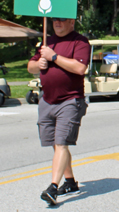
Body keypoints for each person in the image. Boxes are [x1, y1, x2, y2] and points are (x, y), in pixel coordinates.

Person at [27, 18, 91, 205]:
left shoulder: (80, 41)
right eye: (55, 20)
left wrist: (54, 57)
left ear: (72, 22)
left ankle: (53, 188)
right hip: (47, 100)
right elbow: (30, 66)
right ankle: (70, 182)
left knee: (61, 143)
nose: (58, 23)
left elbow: (80, 68)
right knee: (56, 145)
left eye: (63, 20)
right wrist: (39, 64)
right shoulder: (47, 42)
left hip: (70, 101)